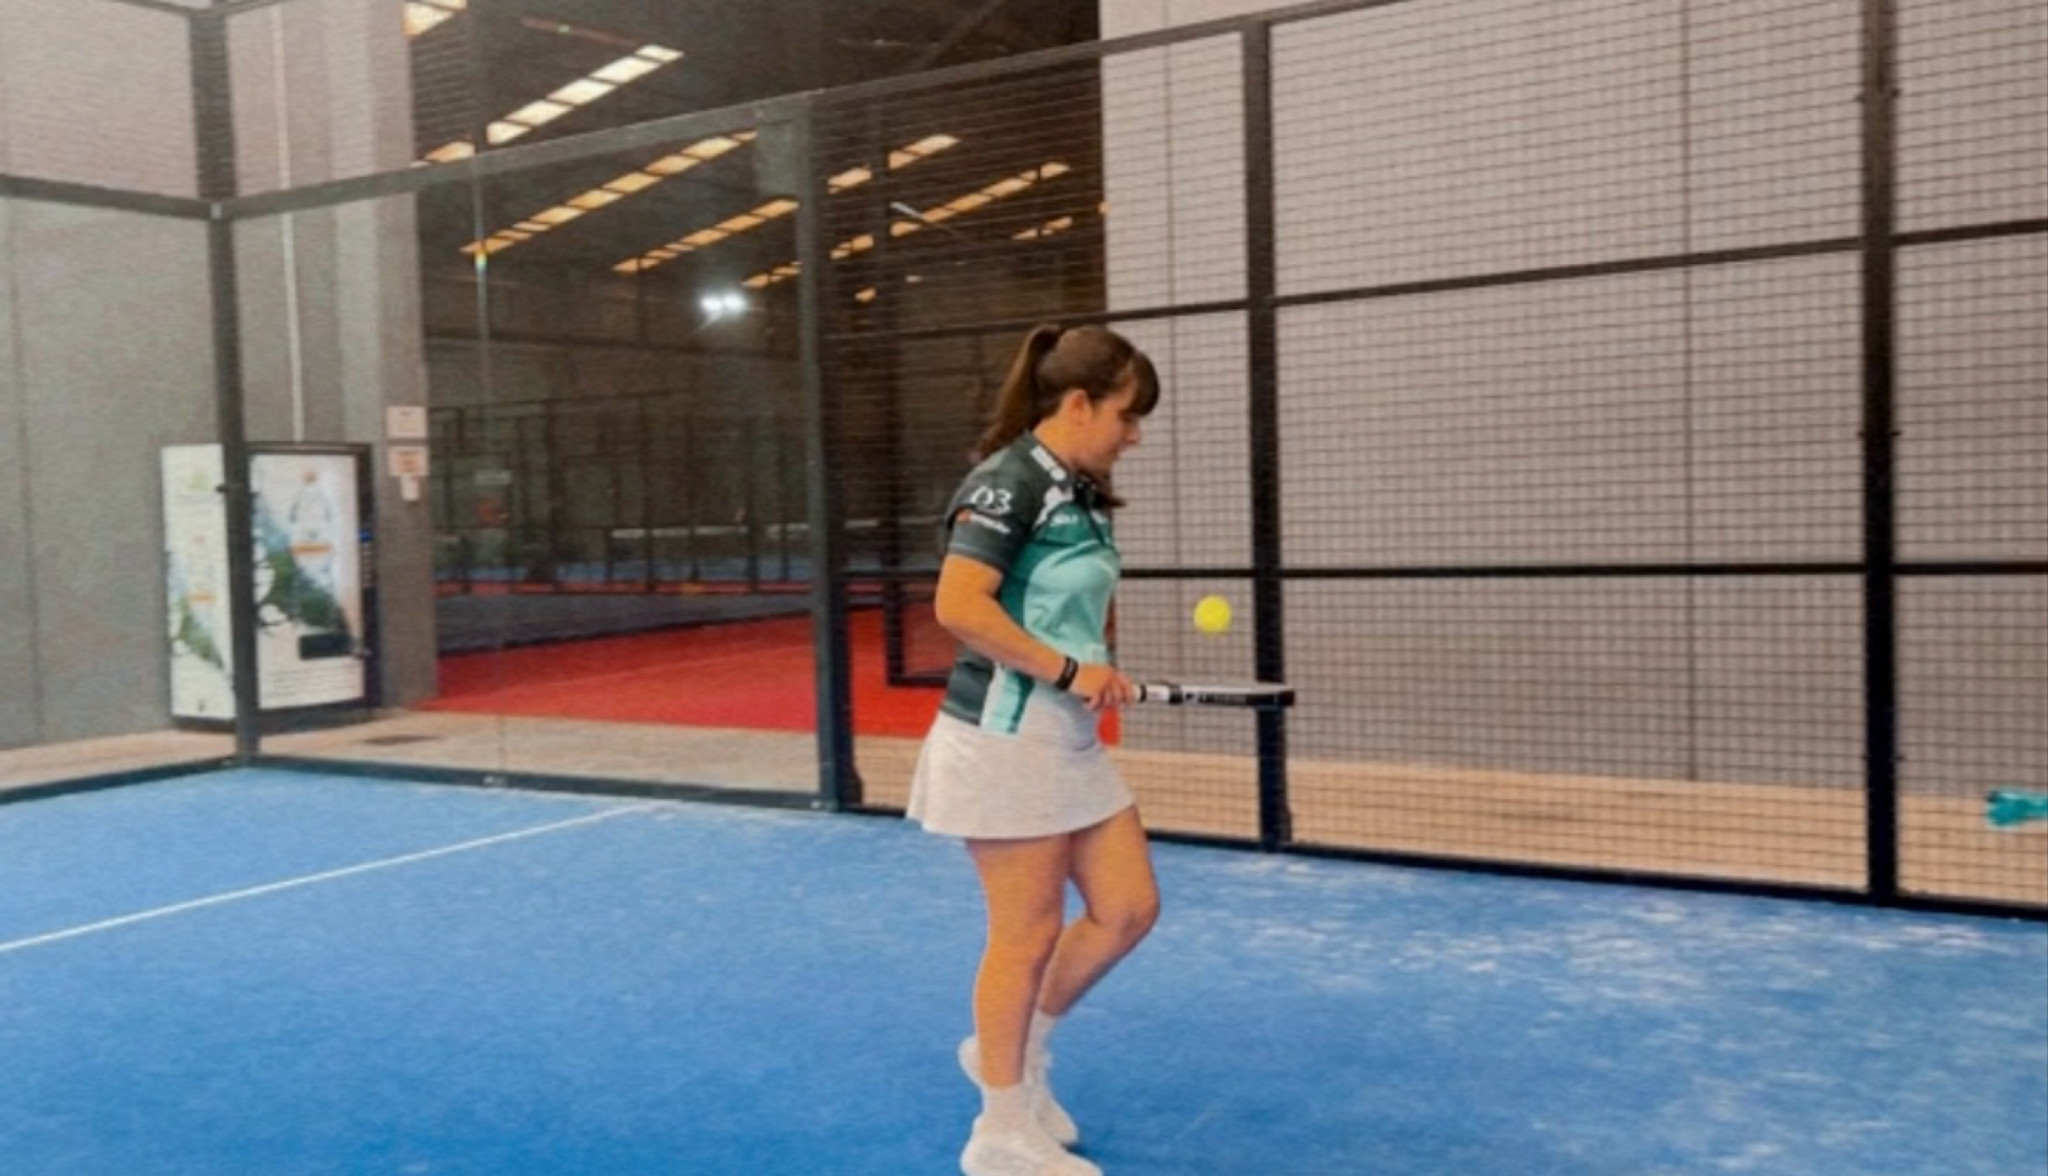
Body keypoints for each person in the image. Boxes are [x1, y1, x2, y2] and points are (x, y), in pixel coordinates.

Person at [907, 323, 1163, 1176]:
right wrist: (1066, 668)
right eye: (1127, 415)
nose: (1134, 435)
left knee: (1128, 909)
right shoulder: (1007, 482)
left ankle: (1013, 1053)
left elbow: (1061, 606)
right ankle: (1000, 1130)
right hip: (1004, 738)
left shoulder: (1078, 490)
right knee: (1025, 935)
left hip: (1066, 737)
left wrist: (1092, 666)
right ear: (1079, 403)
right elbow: (958, 606)